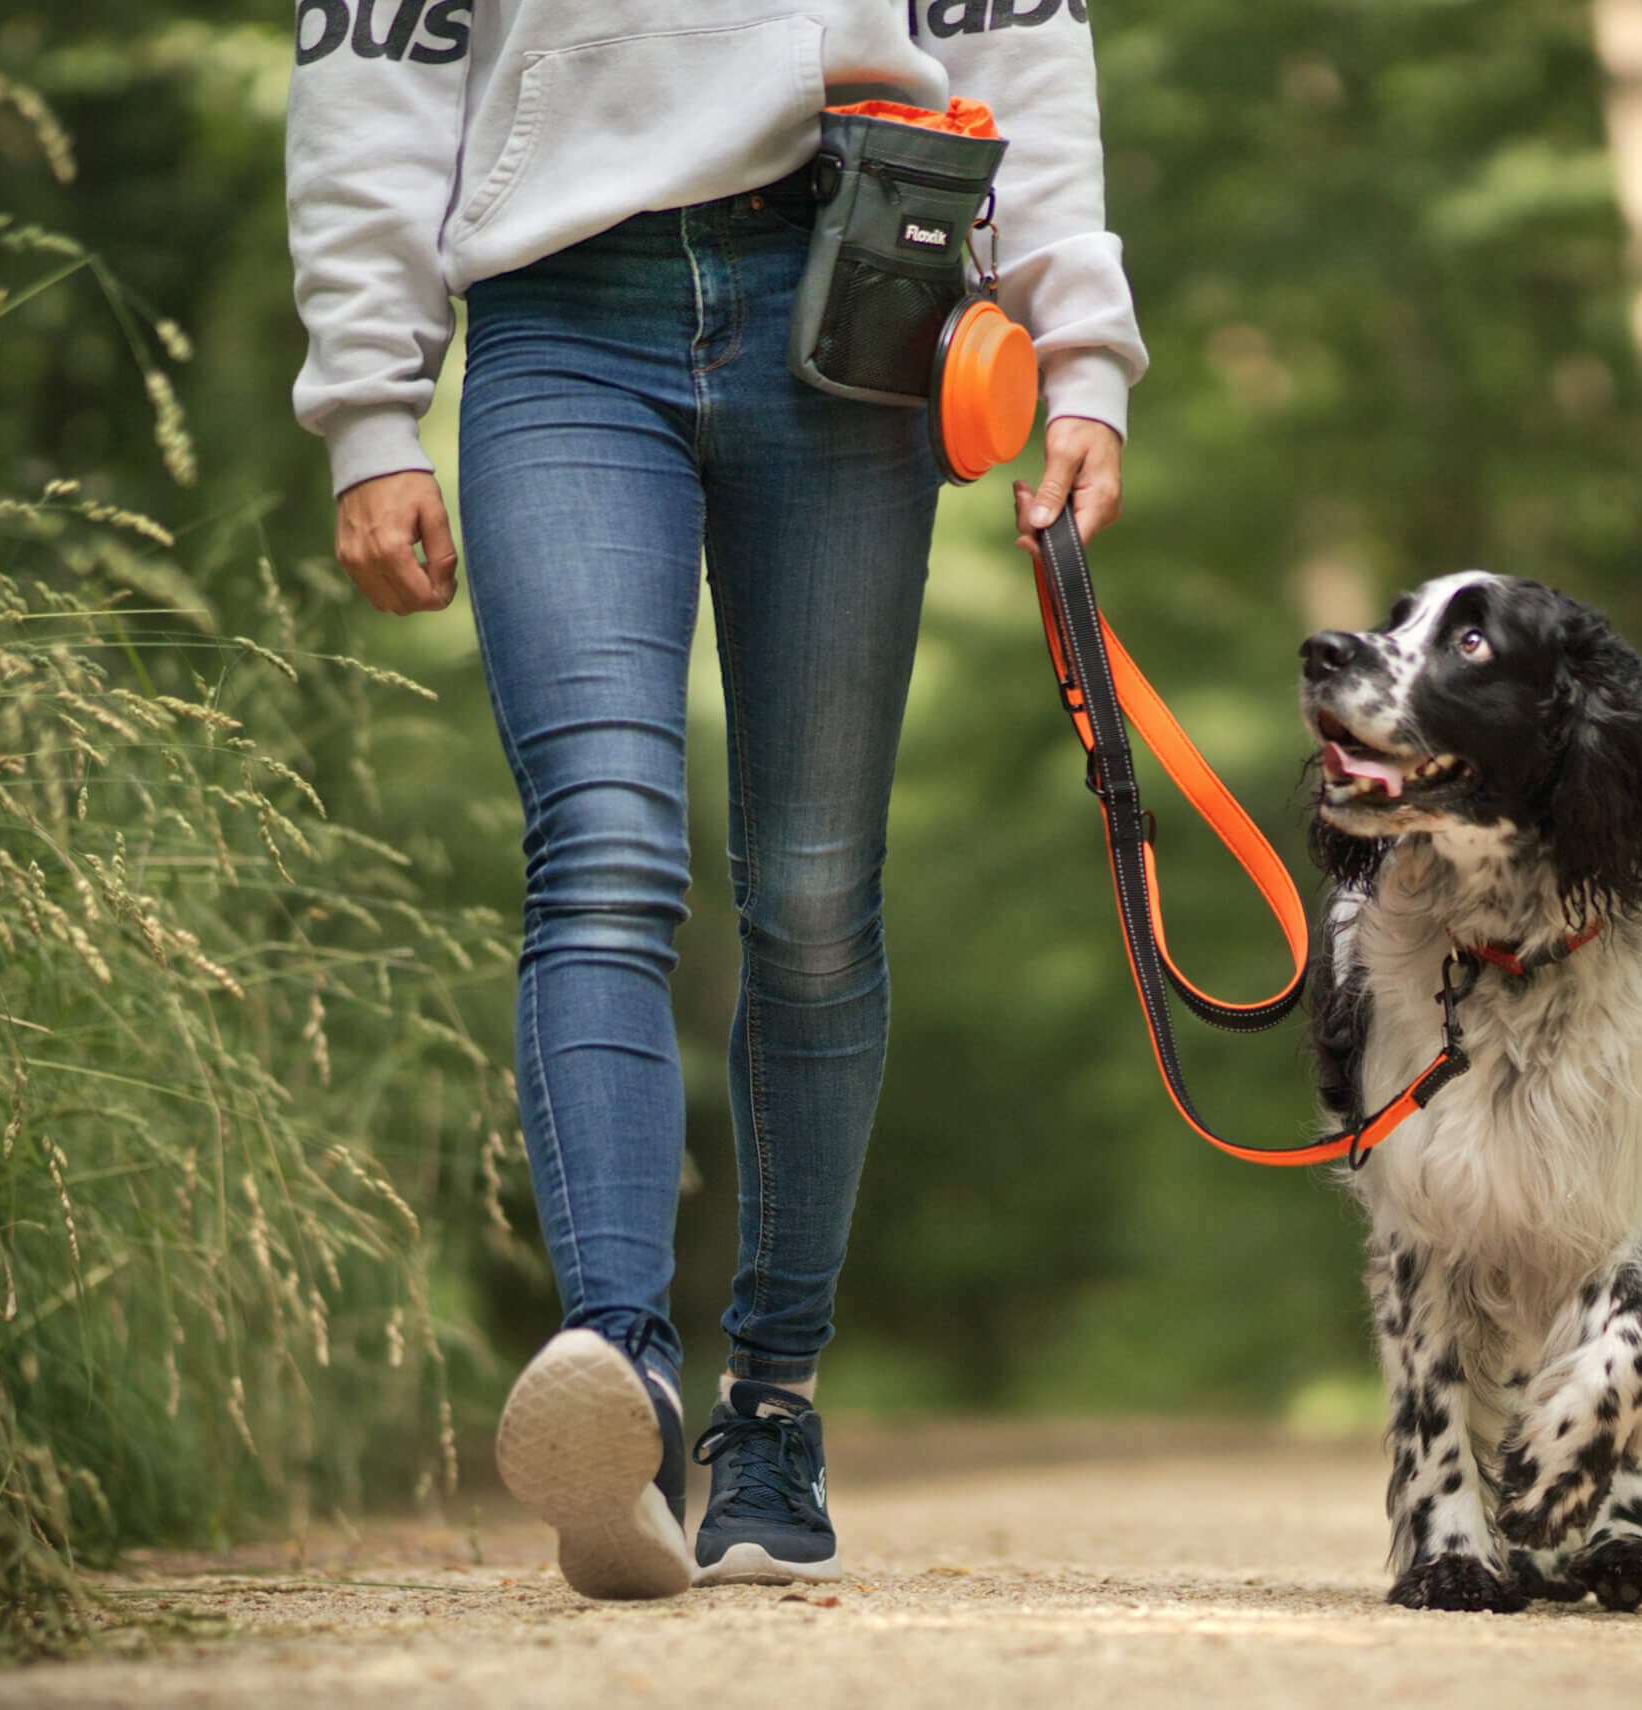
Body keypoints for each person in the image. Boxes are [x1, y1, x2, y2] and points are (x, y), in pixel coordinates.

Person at [283, 0, 1143, 1599]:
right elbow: (375, 66)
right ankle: (621, 1378)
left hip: (856, 283)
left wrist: (1080, 351)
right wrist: (369, 405)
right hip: (557, 316)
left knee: (815, 897)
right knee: (601, 845)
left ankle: (773, 1408)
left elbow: (1016, 37)